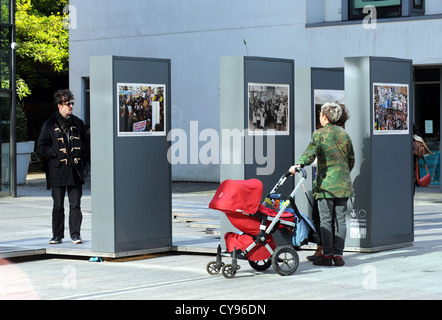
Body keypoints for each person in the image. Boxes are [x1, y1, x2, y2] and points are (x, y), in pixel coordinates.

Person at [289, 103, 355, 266]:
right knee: (340, 220)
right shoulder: (345, 135)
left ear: (324, 117)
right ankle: (338, 256)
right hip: (343, 185)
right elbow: (351, 160)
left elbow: (310, 153)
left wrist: (298, 165)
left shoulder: (319, 134)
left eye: (320, 115)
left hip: (326, 186)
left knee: (325, 220)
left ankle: (326, 255)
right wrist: (343, 174)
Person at [37, 89, 89, 244]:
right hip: (57, 170)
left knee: (75, 205)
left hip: (75, 170)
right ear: (60, 106)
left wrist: (82, 160)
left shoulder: (78, 123)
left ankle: (75, 234)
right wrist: (54, 153)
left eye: (72, 103)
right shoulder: (49, 124)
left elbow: (86, 145)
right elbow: (41, 146)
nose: (71, 106)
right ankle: (57, 235)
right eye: (68, 104)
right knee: (58, 205)